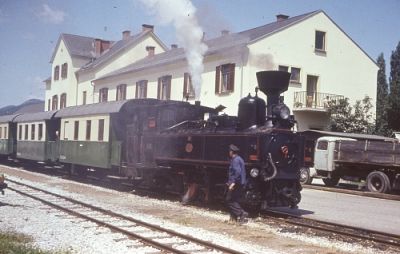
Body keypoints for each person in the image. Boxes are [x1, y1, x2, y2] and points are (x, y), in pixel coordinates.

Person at [226, 144, 248, 224]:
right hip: (240, 183)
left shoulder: (235, 160)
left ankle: (242, 213)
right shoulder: (240, 159)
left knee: (229, 200)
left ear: (231, 152)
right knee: (235, 200)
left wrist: (233, 183)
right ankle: (233, 218)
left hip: (236, 183)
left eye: (229, 151)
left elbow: (237, 172)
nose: (229, 153)